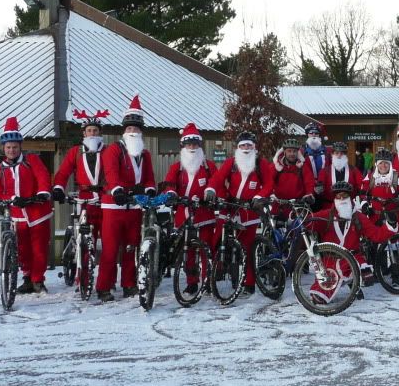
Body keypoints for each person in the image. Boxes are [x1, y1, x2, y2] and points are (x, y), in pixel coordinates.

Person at [98, 95, 156, 302]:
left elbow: (149, 177)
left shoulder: (145, 154)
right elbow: (111, 173)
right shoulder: (113, 150)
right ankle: (104, 286)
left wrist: (149, 189)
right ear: (124, 130)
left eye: (137, 129)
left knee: (131, 247)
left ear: (141, 132)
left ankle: (129, 283)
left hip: (134, 207)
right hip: (114, 206)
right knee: (111, 248)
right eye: (130, 128)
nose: (133, 132)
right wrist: (117, 190)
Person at [207, 131, 275, 296]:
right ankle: (216, 271)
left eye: (249, 145)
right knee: (217, 239)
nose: (246, 148)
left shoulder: (261, 164)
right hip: (231, 206)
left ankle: (249, 282)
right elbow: (217, 177)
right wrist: (211, 189)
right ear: (237, 147)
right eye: (243, 145)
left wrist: (259, 196)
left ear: (254, 147)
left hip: (249, 210)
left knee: (248, 247)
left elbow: (269, 183)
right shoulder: (231, 162)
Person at [304, 182, 396, 303]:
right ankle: (352, 282)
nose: (341, 199)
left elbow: (376, 235)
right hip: (330, 261)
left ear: (350, 198)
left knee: (364, 274)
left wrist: (391, 224)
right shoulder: (327, 215)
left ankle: (353, 280)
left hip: (354, 258)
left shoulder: (358, 217)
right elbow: (308, 222)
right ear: (334, 199)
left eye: (344, 196)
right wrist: (299, 214)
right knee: (319, 296)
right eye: (338, 196)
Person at [0, 116, 53, 294]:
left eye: (15, 147)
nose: (11, 150)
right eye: (8, 147)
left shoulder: (31, 160)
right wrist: (8, 198)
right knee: (23, 249)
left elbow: (43, 177)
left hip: (37, 212)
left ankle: (37, 280)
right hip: (17, 214)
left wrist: (42, 193)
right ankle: (27, 278)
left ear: (20, 147)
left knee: (39, 248)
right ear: (3, 148)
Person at [161, 123, 218, 296]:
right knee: (188, 253)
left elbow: (216, 183)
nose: (192, 147)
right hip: (184, 215)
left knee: (206, 250)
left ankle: (207, 281)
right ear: (183, 146)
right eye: (188, 144)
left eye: (195, 144)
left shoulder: (209, 166)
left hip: (204, 214)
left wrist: (211, 192)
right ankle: (192, 282)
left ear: (199, 146)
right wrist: (171, 193)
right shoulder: (176, 167)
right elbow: (169, 184)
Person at [52, 108, 109, 261]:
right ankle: (81, 279)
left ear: (100, 133)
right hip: (84, 199)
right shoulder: (75, 152)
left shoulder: (109, 151)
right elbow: (63, 173)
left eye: (95, 130)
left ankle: (106, 280)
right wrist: (58, 188)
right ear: (84, 133)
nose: (92, 133)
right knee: (83, 240)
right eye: (89, 130)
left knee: (108, 241)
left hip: (104, 199)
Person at [361, 148, 399, 220]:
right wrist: (364, 204)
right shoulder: (371, 176)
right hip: (375, 216)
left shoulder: (396, 176)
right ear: (376, 164)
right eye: (380, 163)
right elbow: (364, 192)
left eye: (386, 163)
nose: (383, 166)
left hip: (393, 217)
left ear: (390, 164)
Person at [317, 141, 364, 208]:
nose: (339, 155)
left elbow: (362, 185)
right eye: (336, 153)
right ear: (332, 154)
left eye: (342, 153)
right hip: (330, 206)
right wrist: (318, 189)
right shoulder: (324, 171)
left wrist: (362, 198)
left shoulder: (354, 170)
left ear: (345, 155)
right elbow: (320, 190)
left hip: (349, 205)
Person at [272, 137, 311, 212]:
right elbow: (269, 181)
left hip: (298, 205)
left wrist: (309, 194)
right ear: (284, 152)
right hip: (279, 205)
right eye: (289, 151)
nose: (292, 154)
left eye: (294, 151)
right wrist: (270, 195)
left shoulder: (302, 167)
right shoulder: (277, 166)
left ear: (298, 152)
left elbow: (309, 182)